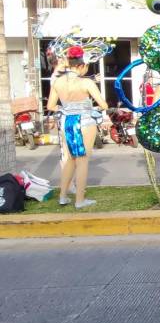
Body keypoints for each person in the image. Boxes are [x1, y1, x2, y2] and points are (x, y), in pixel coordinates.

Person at [46, 46, 108, 208]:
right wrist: (92, 109)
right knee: (82, 161)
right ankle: (80, 200)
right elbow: (104, 104)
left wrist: (66, 109)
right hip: (85, 122)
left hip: (67, 121)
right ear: (81, 65)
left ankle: (63, 196)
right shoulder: (86, 82)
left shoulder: (58, 81)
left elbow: (51, 105)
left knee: (70, 160)